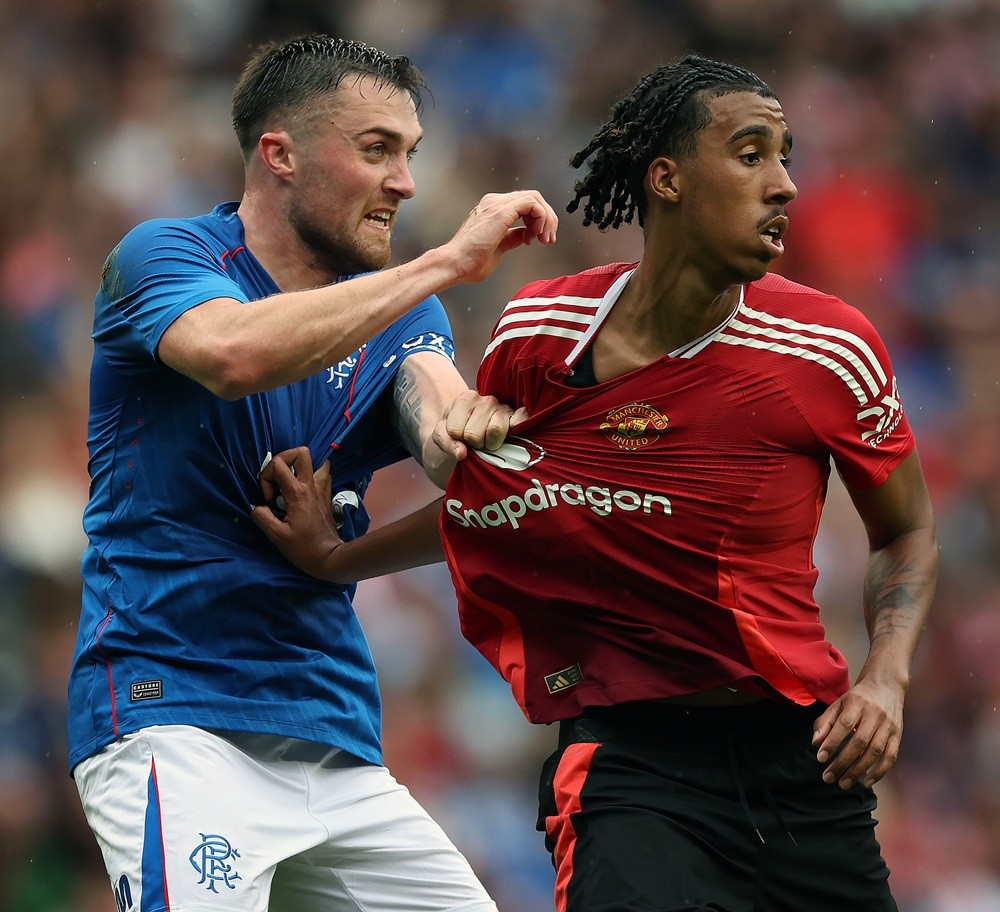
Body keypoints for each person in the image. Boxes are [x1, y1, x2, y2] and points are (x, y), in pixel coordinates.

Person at [253, 54, 938, 912]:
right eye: (753, 153)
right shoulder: (542, 330)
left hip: (805, 765)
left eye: (788, 157)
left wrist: (886, 677)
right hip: (634, 771)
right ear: (668, 178)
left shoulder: (829, 349)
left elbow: (905, 528)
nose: (787, 186)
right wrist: (335, 559)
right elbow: (505, 507)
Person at [68, 34, 558, 912]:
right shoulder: (164, 257)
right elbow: (231, 353)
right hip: (173, 717)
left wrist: (489, 436)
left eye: (411, 154)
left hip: (332, 735)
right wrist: (444, 259)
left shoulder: (404, 311)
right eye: (377, 150)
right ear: (280, 155)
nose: (405, 182)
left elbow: (445, 434)